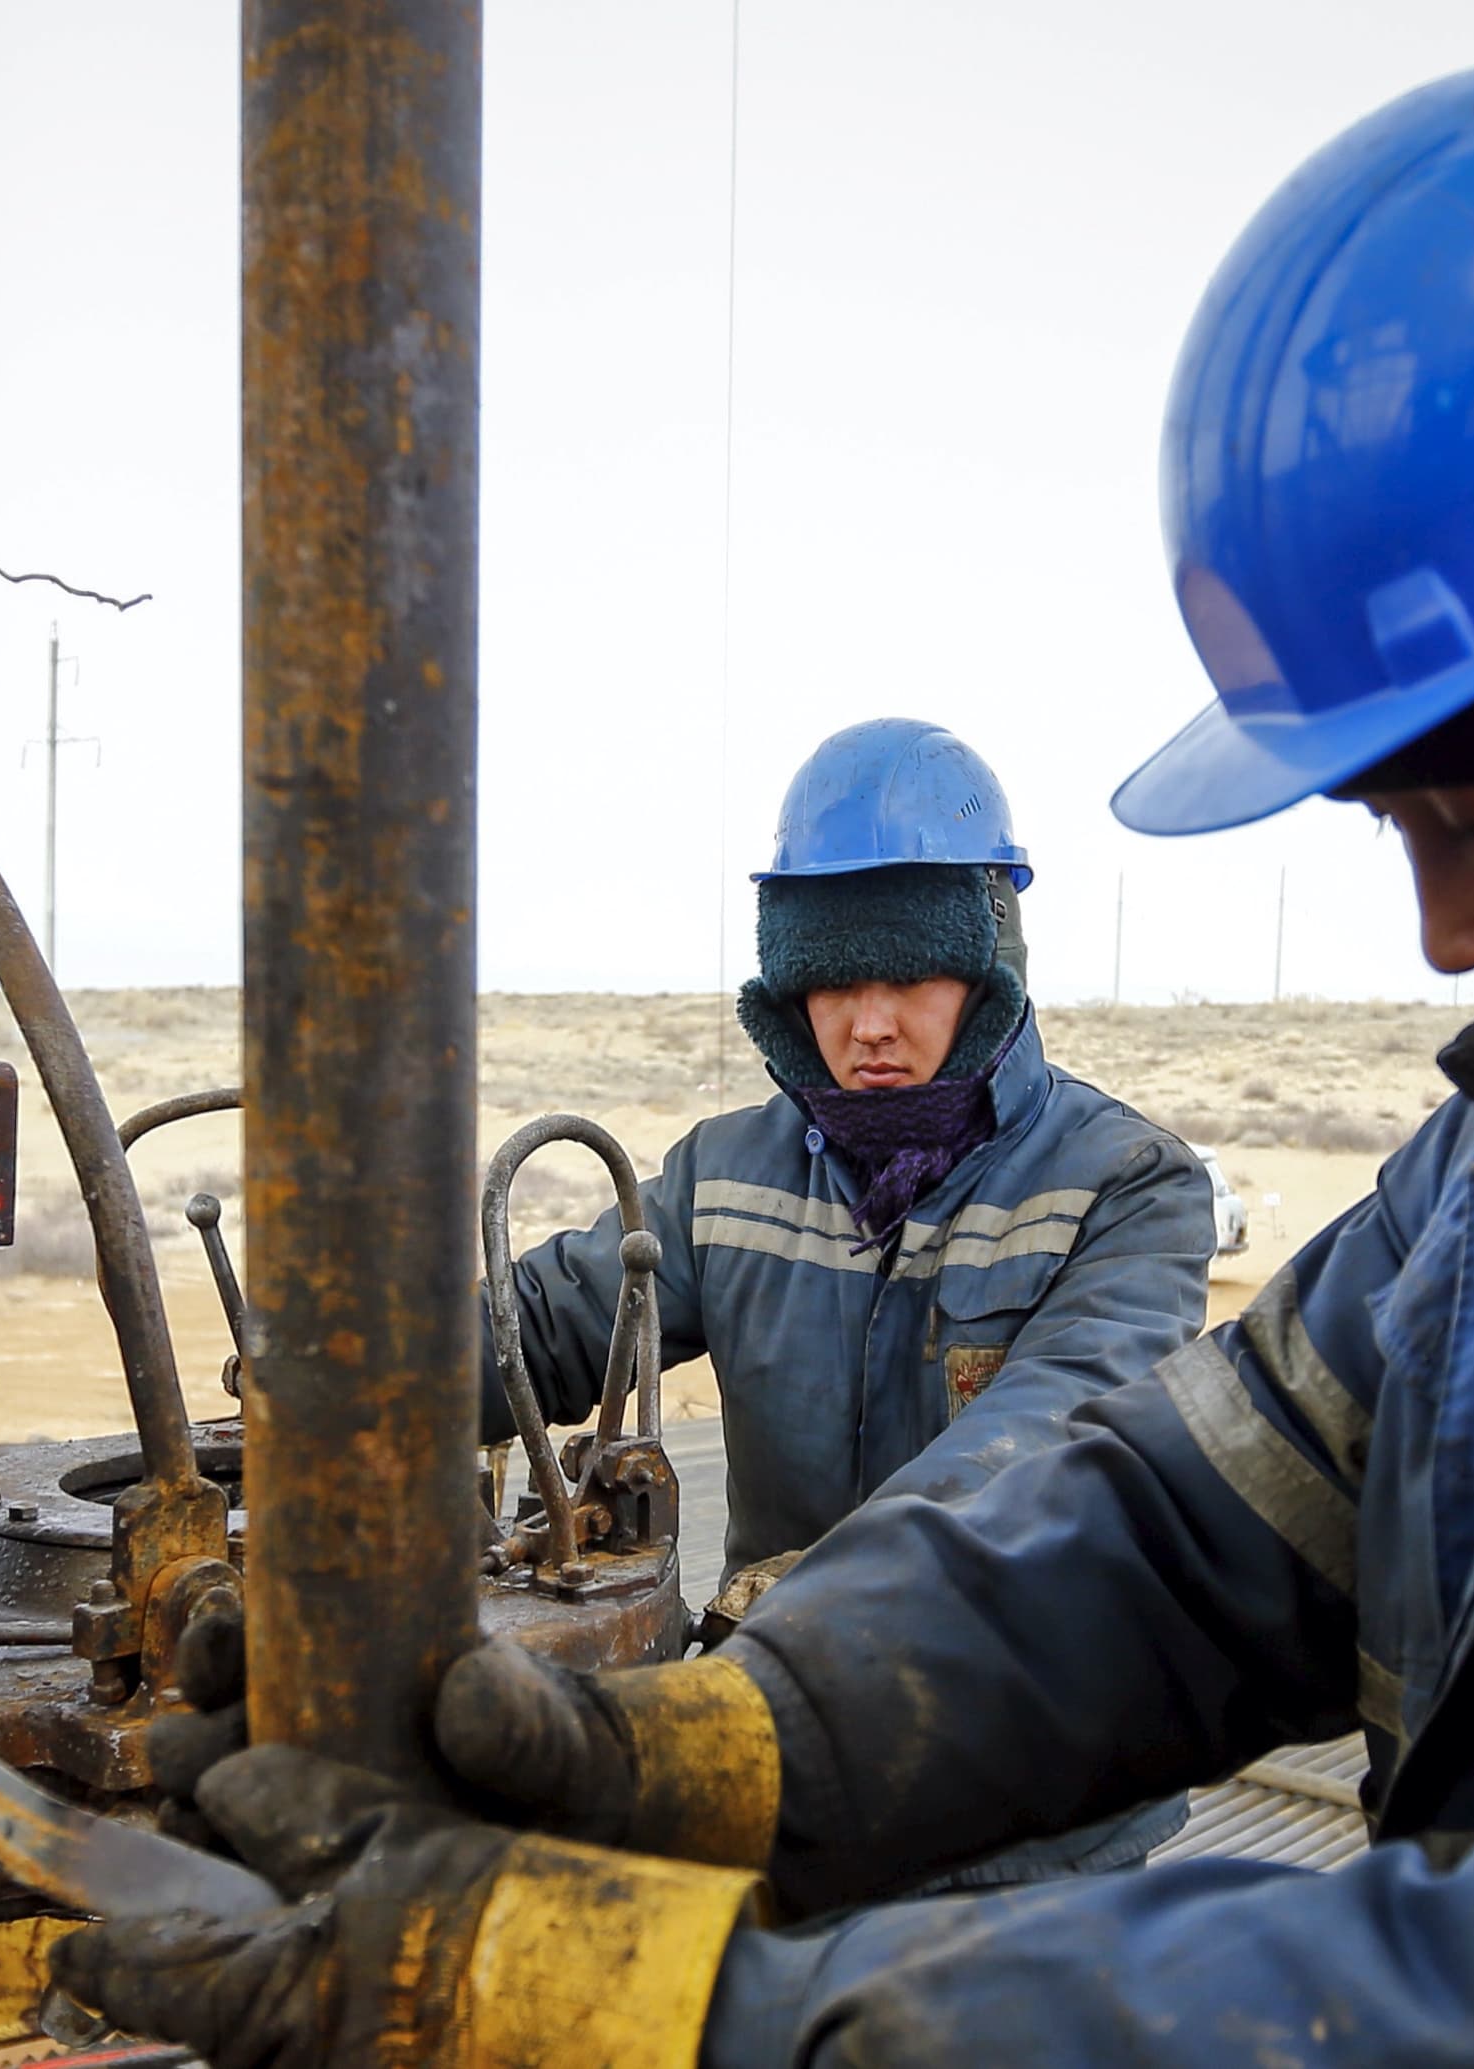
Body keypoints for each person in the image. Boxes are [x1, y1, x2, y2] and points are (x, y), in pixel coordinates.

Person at [52, 53, 1474, 2068]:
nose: (1440, 931)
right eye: (1393, 829)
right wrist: (721, 1750)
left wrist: (669, 2009)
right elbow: (1185, 1532)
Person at [489, 716, 1213, 1886]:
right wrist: (349, 1374)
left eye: (908, 974)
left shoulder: (1125, 1182)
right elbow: (560, 1322)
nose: (868, 1023)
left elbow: (1061, 1433)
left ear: (985, 967)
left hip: (1038, 1808)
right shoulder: (725, 1172)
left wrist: (814, 1592)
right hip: (799, 1773)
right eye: (831, 979)